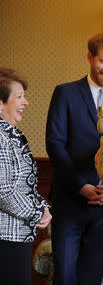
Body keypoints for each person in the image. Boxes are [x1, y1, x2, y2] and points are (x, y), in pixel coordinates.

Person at [46, 33, 103, 285]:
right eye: (102, 61)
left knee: (91, 277)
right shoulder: (65, 93)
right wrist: (80, 186)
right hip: (69, 200)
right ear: (90, 57)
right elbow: (55, 144)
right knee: (64, 277)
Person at [0, 68, 52, 285]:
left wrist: (43, 206)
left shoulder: (14, 134)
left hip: (18, 234)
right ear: (1, 103)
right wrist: (38, 211)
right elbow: (3, 190)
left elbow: (25, 185)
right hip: (5, 236)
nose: (26, 102)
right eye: (19, 97)